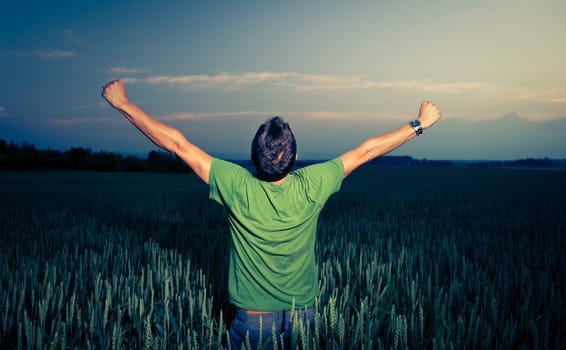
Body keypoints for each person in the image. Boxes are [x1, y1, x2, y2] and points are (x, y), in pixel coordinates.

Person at [102, 79, 441, 349]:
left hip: (253, 320)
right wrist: (419, 123)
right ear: (294, 157)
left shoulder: (235, 184)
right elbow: (365, 152)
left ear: (254, 156)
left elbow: (177, 144)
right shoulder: (313, 183)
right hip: (303, 316)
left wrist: (123, 103)